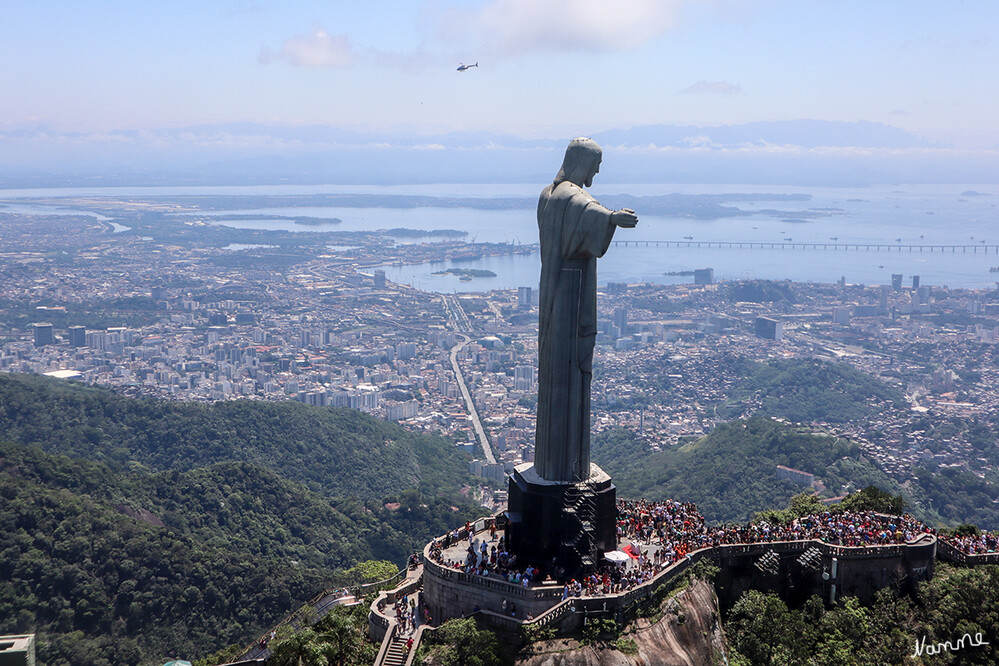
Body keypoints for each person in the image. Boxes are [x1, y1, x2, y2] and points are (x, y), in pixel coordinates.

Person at [535, 138, 637, 482]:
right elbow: (585, 211)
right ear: (582, 162)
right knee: (571, 370)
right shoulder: (571, 196)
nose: (598, 170)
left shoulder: (547, 194)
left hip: (553, 291)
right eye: (596, 163)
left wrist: (606, 218)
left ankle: (552, 464)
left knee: (555, 371)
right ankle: (568, 468)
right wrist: (612, 218)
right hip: (571, 297)